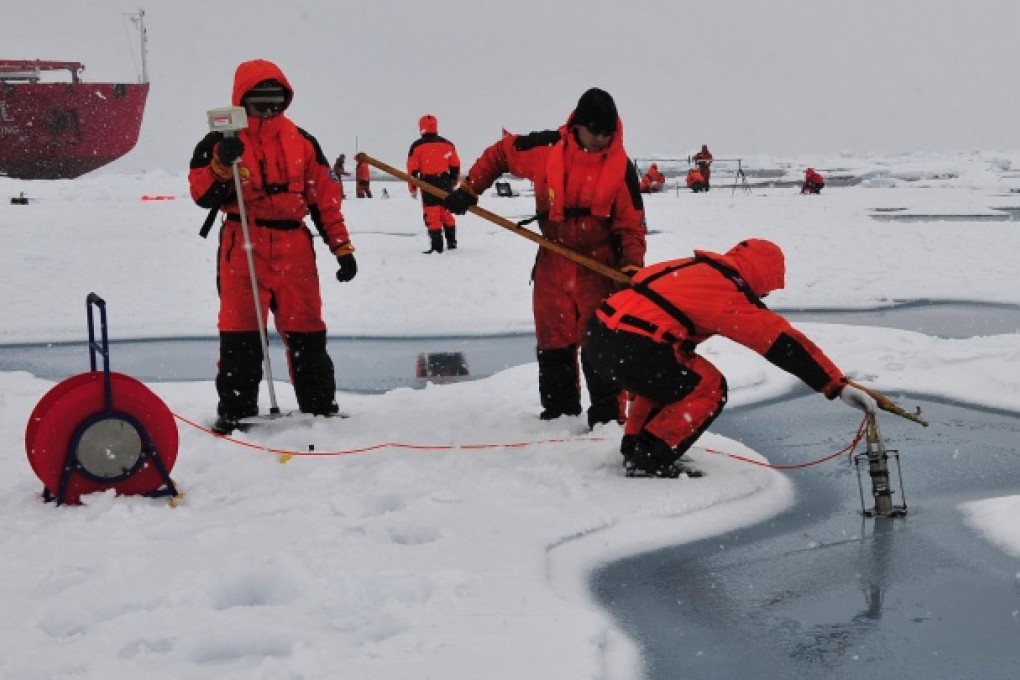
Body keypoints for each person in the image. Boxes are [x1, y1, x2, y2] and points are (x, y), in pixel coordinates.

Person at [582, 238, 878, 478]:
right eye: (767, 287)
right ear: (761, 275)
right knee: (708, 387)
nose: (764, 295)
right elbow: (782, 343)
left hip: (598, 337)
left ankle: (635, 448)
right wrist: (835, 385)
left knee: (671, 378)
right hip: (637, 346)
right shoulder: (728, 293)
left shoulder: (691, 266)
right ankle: (650, 458)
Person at [443, 87, 646, 427]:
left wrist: (631, 264)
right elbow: (501, 154)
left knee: (601, 344)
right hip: (553, 259)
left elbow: (631, 226)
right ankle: (559, 417)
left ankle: (608, 423)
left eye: (606, 133)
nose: (600, 140)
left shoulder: (621, 168)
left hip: (599, 267)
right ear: (578, 125)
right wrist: (470, 188)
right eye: (594, 131)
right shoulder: (546, 149)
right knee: (554, 341)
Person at [188, 59, 358, 435]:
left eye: (275, 100)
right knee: (241, 331)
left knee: (307, 330)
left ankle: (318, 408)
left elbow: (324, 200)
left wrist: (342, 249)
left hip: (294, 245)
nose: (268, 108)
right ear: (242, 100)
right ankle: (236, 411)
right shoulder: (219, 141)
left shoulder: (303, 141)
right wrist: (219, 166)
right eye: (259, 100)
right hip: (242, 242)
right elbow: (201, 195)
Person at [407, 114, 461, 253]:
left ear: (421, 127)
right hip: (445, 181)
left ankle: (437, 248)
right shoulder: (447, 144)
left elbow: (412, 169)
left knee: (432, 214)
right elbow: (455, 165)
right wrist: (453, 182)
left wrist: (413, 188)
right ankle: (452, 243)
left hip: (428, 183)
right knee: (446, 212)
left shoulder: (417, 146)